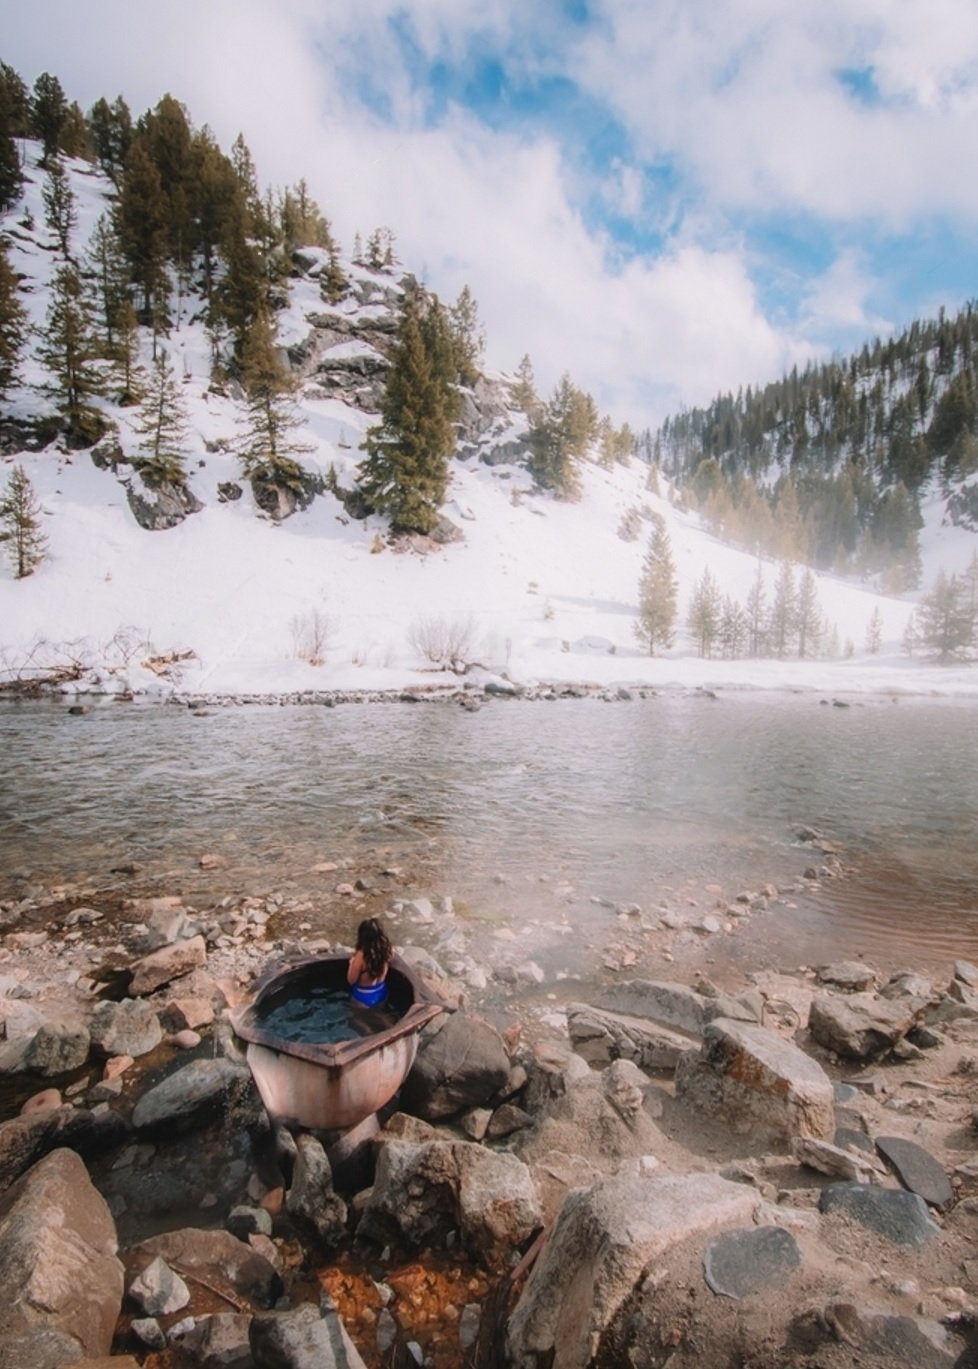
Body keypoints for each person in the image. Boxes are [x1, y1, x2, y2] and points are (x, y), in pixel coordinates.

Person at [346, 917, 393, 1006]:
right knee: (380, 1015)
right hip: (381, 991)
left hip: (364, 996)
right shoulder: (386, 950)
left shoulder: (361, 956)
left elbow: (351, 980)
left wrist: (352, 964)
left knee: (357, 1019)